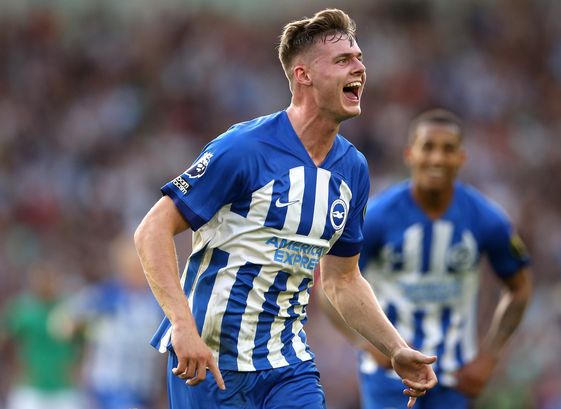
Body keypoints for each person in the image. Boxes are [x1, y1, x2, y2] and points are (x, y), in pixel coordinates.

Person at [134, 8, 437, 409]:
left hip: (288, 366)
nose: (360, 68)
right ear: (304, 75)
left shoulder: (352, 170)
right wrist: (181, 325)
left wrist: (395, 348)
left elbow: (341, 280)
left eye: (360, 58)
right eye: (344, 60)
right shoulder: (243, 149)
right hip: (208, 362)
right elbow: (151, 231)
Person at [319, 108, 533, 409]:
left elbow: (520, 287)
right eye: (428, 147)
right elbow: (330, 285)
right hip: (389, 376)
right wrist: (365, 343)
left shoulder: (487, 220)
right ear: (410, 154)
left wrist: (489, 357)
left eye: (447, 149)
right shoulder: (378, 216)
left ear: (461, 158)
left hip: (454, 377)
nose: (437, 158)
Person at [50, 234, 164, 409]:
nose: (138, 270)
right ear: (121, 266)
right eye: (132, 264)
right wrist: (79, 330)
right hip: (109, 386)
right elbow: (60, 323)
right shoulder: (106, 295)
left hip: (145, 387)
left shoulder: (158, 300)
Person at [0, 264, 83, 409]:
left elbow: (85, 341)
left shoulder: (70, 309)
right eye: (39, 279)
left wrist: (77, 368)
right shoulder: (21, 310)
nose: (44, 284)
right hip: (30, 386)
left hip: (63, 387)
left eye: (48, 279)